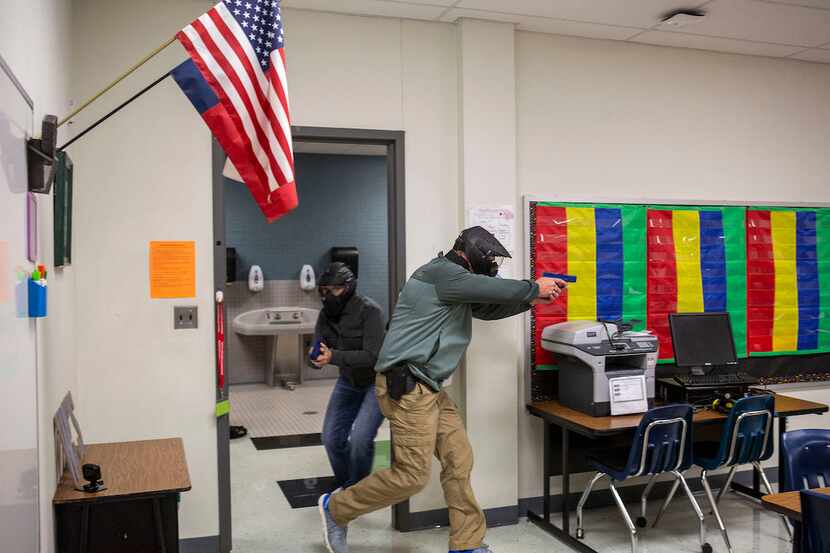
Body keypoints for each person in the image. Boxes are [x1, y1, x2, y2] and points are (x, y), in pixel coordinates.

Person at [318, 226, 566, 553]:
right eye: (490, 259)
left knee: (458, 460)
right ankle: (336, 508)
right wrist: (533, 287)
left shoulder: (455, 285)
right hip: (407, 388)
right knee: (411, 477)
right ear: (472, 252)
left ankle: (466, 544)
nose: (492, 266)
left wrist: (531, 299)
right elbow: (487, 288)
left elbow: (488, 307)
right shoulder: (443, 273)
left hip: (429, 388)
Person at [311, 262, 386, 491]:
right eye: (323, 291)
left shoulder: (370, 311)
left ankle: (359, 492)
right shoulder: (325, 315)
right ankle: (348, 486)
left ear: (348, 287)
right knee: (331, 439)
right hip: (348, 381)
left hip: (376, 383)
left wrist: (333, 356)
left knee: (360, 440)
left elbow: (373, 356)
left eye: (333, 290)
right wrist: (314, 358)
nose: (327, 296)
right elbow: (318, 348)